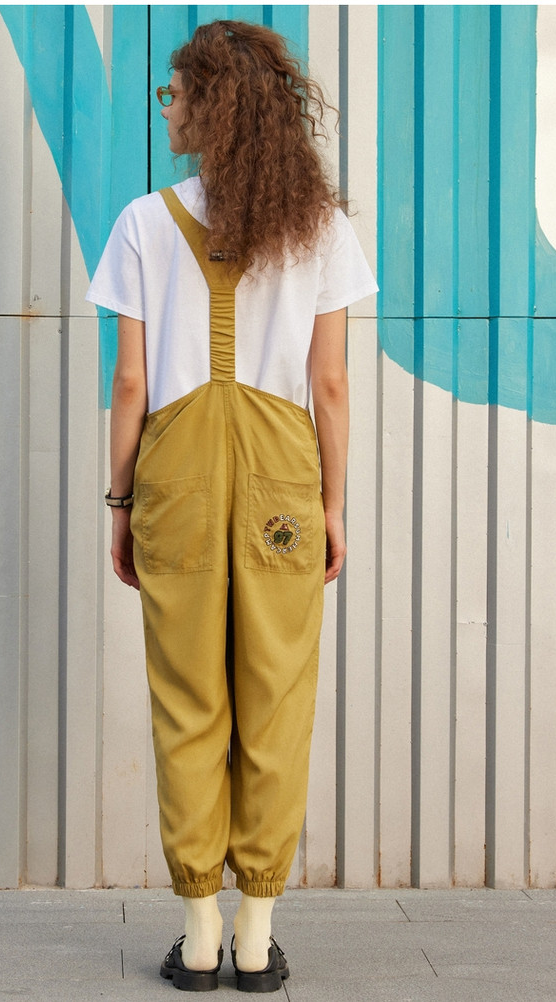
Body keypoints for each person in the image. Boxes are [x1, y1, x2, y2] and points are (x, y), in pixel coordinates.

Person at [87, 19, 377, 993]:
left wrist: (120, 502)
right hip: (283, 482)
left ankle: (199, 933)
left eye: (175, 92)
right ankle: (257, 936)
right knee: (276, 696)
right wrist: (333, 506)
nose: (165, 107)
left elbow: (131, 385)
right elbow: (329, 385)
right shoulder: (321, 227)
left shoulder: (143, 222)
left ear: (211, 105)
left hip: (174, 478)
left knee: (188, 702)